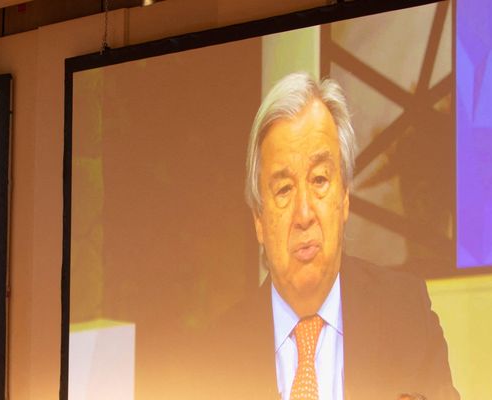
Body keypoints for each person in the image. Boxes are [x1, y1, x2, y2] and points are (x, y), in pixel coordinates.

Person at [193, 72, 459, 400]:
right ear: (259, 220)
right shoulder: (213, 357)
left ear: (345, 198)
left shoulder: (407, 317)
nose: (304, 214)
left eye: (319, 180)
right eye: (284, 189)